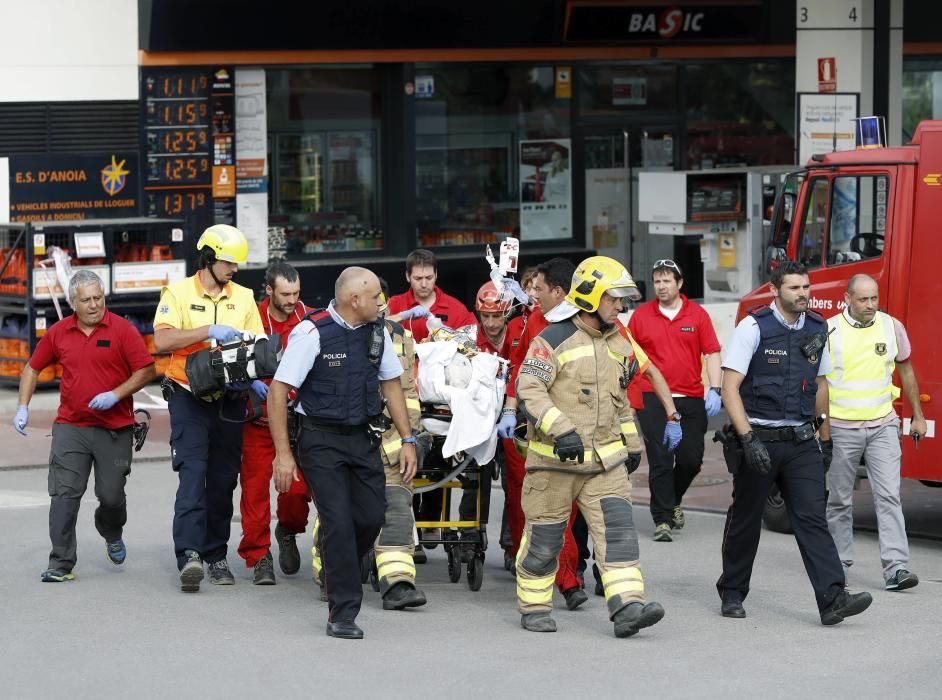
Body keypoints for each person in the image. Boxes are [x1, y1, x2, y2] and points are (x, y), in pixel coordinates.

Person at [514, 256, 665, 637]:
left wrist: (631, 446)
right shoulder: (551, 339)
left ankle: (628, 607)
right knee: (545, 542)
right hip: (553, 465)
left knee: (617, 536)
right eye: (614, 298)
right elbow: (528, 390)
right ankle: (534, 606)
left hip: (604, 465)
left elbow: (622, 401)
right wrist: (561, 429)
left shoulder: (620, 343)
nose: (621, 306)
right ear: (590, 295)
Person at [717, 261, 872, 625]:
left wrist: (826, 439)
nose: (803, 294)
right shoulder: (753, 328)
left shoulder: (818, 329)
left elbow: (821, 385)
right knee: (746, 518)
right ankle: (733, 591)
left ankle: (832, 597)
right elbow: (729, 387)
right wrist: (748, 438)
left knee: (812, 518)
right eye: (795, 288)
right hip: (760, 439)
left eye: (806, 287)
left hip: (802, 440)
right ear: (775, 291)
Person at [268, 267, 417, 640]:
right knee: (337, 520)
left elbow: (391, 385)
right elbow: (278, 391)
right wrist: (283, 455)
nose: (382, 303)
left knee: (370, 517)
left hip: (363, 439)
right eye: (376, 298)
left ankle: (342, 560)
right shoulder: (311, 333)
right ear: (355, 301)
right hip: (320, 441)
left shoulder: (377, 332)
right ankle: (343, 613)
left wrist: (408, 438)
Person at [14, 270, 156, 582]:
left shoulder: (122, 330)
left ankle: (112, 531)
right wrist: (23, 405)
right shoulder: (58, 333)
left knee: (111, 496)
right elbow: (32, 369)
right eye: (86, 300)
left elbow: (146, 370)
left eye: (98, 298)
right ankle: (60, 562)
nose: (94, 305)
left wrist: (116, 394)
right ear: (73, 303)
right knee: (63, 495)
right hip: (71, 427)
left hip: (114, 429)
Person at [154, 224, 266, 592]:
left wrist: (256, 378)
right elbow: (163, 339)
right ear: (208, 258)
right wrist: (207, 330)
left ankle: (216, 555)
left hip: (230, 399)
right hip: (189, 397)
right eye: (228, 262)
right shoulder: (179, 292)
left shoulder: (245, 298)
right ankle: (189, 554)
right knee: (192, 475)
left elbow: (257, 343)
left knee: (222, 481)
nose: (234, 269)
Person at [825, 274, 926, 591]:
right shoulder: (828, 330)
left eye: (874, 298)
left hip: (883, 424)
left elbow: (906, 368)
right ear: (848, 298)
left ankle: (896, 568)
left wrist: (917, 416)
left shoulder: (891, 326)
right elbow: (817, 382)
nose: (870, 305)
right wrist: (822, 425)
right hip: (841, 427)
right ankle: (838, 564)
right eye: (863, 299)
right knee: (840, 501)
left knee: (889, 496)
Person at [499, 257, 585, 610]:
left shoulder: (586, 321)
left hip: (578, 425)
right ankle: (563, 579)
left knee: (570, 510)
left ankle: (564, 572)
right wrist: (509, 409)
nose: (532, 294)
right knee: (540, 505)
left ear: (558, 292)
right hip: (538, 428)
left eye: (538, 289)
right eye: (530, 288)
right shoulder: (533, 321)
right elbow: (518, 369)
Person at [627, 259, 722, 542]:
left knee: (692, 459)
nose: (661, 286)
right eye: (657, 281)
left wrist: (715, 388)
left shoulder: (697, 315)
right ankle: (663, 518)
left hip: (690, 396)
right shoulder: (641, 316)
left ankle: (674, 499)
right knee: (660, 457)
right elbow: (629, 359)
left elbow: (713, 352)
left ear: (680, 284)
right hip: (651, 396)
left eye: (667, 280)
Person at [237, 261, 313, 585]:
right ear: (269, 291)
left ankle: (287, 530)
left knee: (297, 491)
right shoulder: (251, 316)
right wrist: (249, 381)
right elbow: (233, 358)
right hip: (258, 418)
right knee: (254, 490)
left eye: (296, 293)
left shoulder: (309, 318)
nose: (292, 300)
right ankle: (258, 556)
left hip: (297, 419)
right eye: (285, 294)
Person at [387, 249, 477, 342]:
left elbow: (473, 338)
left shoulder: (456, 308)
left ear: (436, 274)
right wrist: (402, 316)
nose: (424, 284)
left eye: (429, 278)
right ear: (407, 276)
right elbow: (375, 327)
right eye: (418, 278)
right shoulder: (395, 304)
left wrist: (449, 336)